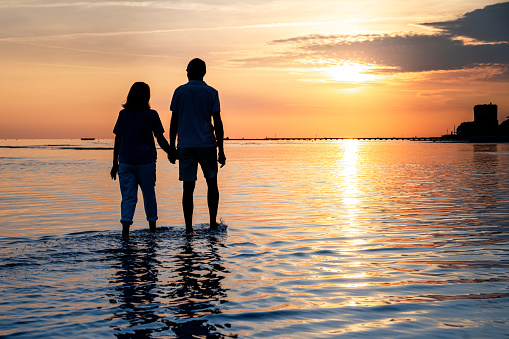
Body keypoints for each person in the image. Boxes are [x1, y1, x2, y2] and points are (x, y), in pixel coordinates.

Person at [168, 58, 226, 233]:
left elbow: (174, 122)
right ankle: (212, 223)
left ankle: (188, 228)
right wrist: (221, 150)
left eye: (187, 70)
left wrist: (172, 147)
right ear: (204, 72)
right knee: (212, 184)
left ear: (190, 71)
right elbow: (218, 122)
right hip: (207, 144)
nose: (186, 72)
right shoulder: (211, 92)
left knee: (188, 187)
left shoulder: (179, 91)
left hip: (185, 145)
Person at [111, 82, 172, 236]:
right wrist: (172, 152)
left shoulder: (123, 114)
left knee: (128, 197)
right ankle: (152, 230)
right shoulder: (151, 115)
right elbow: (160, 139)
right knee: (149, 195)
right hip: (146, 162)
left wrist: (114, 163)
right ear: (147, 97)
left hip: (125, 162)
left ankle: (125, 231)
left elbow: (118, 139)